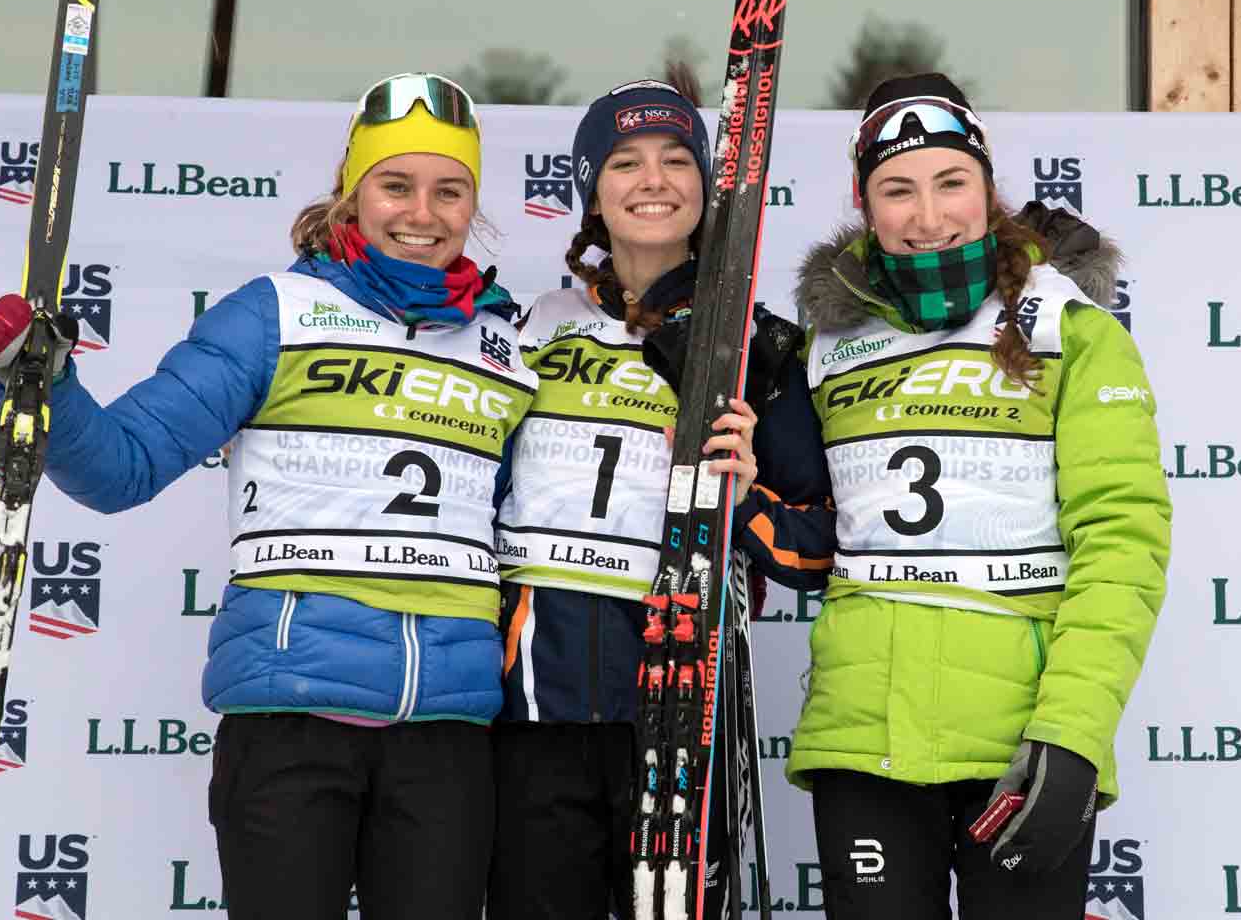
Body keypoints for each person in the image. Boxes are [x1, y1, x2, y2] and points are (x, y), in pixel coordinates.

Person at [0, 73, 537, 920]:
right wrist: (44, 384)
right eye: (396, 185)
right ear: (352, 192)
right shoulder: (275, 314)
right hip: (291, 718)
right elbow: (123, 467)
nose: (422, 213)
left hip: (447, 736)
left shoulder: (506, 345)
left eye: (449, 191)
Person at [786, 72, 1171, 920]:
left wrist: (1072, 734)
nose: (928, 216)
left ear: (987, 187)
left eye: (951, 181)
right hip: (865, 739)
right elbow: (805, 529)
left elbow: (1122, 545)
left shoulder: (1072, 330)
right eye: (898, 189)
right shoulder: (829, 343)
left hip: (1022, 742)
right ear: (864, 203)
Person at [489, 74, 837, 920]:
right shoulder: (527, 328)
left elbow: (817, 550)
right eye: (625, 163)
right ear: (591, 193)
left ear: (708, 187)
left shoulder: (757, 345)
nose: (654, 181)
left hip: (683, 708)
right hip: (535, 702)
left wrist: (746, 496)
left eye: (677, 160)